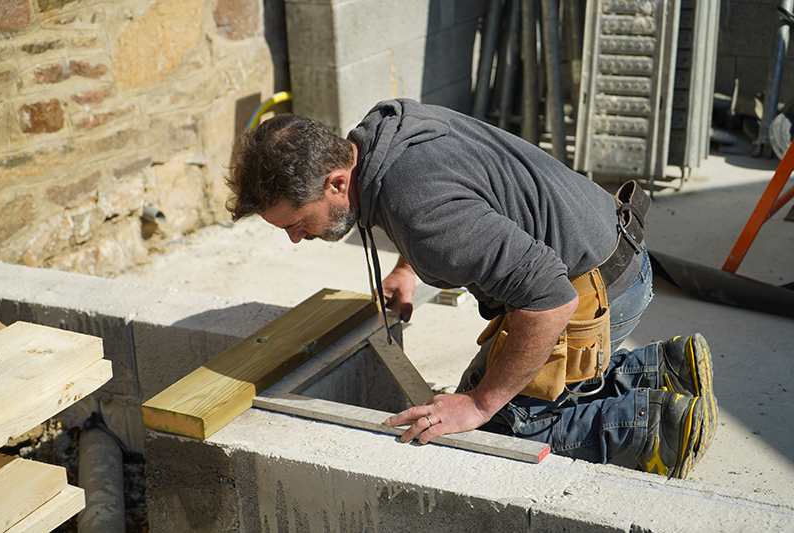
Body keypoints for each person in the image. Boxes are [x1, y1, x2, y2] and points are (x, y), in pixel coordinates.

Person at [226, 98, 717, 479]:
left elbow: (550, 300)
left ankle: (659, 428)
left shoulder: (423, 213)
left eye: (295, 222)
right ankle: (664, 369)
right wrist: (408, 267)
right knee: (482, 399)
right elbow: (452, 196)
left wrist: (481, 405)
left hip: (600, 285)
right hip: (604, 243)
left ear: (336, 182)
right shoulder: (381, 135)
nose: (294, 238)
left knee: (499, 426)